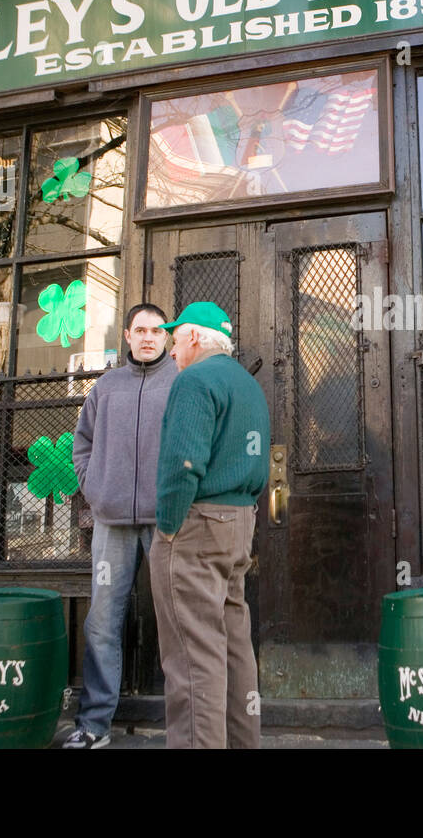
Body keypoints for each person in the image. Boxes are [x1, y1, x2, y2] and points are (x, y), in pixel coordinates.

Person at [151, 302, 269, 749]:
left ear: (195, 338)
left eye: (175, 339)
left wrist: (167, 526)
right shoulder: (247, 385)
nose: (173, 349)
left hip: (195, 526)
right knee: (234, 647)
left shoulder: (194, 381)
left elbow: (182, 464)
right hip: (240, 523)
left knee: (191, 657)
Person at [64, 303, 177, 748]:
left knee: (177, 621)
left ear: (167, 337)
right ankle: (94, 726)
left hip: (166, 520)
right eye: (140, 330)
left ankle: (185, 727)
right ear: (127, 336)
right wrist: (95, 488)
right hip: (111, 522)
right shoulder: (105, 387)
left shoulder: (181, 383)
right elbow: (82, 444)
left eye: (157, 330)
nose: (149, 337)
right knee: (102, 623)